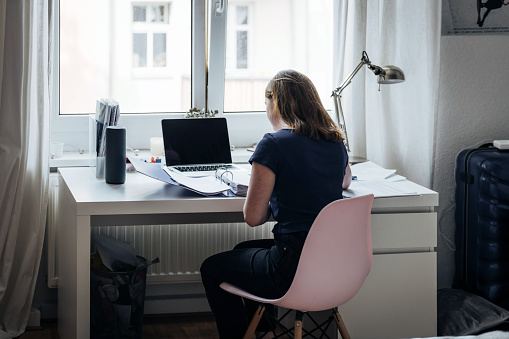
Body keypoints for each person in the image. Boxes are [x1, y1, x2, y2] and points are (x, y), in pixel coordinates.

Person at [200, 69, 352, 338]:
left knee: (211, 268)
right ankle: (264, 332)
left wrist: (272, 196)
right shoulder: (335, 142)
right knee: (243, 250)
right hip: (333, 265)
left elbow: (253, 217)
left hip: (291, 268)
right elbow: (345, 182)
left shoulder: (273, 143)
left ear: (275, 102)